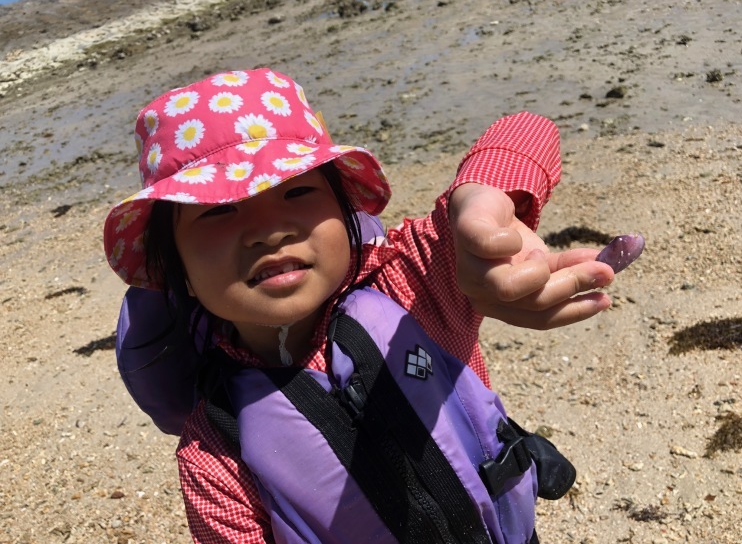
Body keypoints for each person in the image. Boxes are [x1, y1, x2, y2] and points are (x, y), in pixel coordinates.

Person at [104, 68, 615, 543]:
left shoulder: (414, 286)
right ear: (179, 275)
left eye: (297, 190)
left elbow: (526, 130)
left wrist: (479, 200)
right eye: (217, 212)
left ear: (347, 213)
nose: (270, 231)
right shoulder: (214, 450)